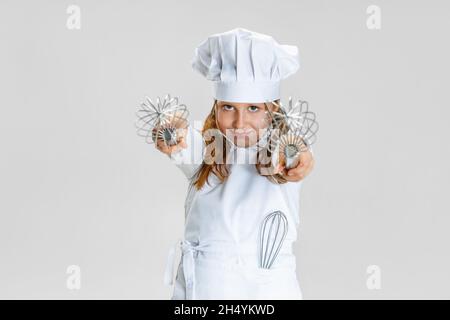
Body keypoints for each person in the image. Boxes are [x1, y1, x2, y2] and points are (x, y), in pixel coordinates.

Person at [157, 27, 315, 299]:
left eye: (253, 108)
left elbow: (296, 153)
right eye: (228, 107)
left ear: (272, 110)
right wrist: (168, 131)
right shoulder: (205, 150)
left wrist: (297, 154)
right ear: (216, 107)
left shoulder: (279, 153)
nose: (240, 123)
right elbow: (175, 139)